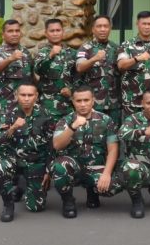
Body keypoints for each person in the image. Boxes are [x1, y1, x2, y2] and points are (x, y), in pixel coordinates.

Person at [51, 86, 122, 218]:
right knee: (59, 166)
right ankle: (68, 201)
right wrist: (73, 127)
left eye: (86, 100)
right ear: (73, 101)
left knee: (113, 186)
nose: (83, 104)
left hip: (96, 168)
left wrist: (106, 174)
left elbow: (113, 149)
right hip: (74, 169)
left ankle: (92, 192)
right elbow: (57, 145)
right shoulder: (66, 121)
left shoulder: (105, 120)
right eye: (79, 101)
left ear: (93, 100)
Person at [0, 83, 54, 222]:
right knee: (2, 166)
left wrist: (48, 171)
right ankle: (8, 204)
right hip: (13, 159)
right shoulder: (7, 114)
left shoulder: (46, 115)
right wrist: (12, 128)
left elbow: (51, 145)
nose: (26, 98)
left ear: (36, 96)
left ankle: (21, 186)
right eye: (23, 95)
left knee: (36, 207)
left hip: (35, 161)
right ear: (16, 96)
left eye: (30, 95)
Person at [117, 11, 150, 118]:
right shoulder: (127, 45)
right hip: (132, 99)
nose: (146, 27)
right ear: (137, 24)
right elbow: (121, 65)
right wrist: (137, 58)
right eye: (143, 24)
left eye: (149, 24)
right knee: (132, 126)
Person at [75, 15, 121, 125]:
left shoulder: (116, 48)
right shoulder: (86, 48)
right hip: (93, 104)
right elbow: (79, 67)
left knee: (113, 133)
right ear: (93, 29)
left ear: (110, 28)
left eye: (105, 26)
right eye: (99, 26)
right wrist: (94, 58)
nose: (102, 29)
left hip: (113, 104)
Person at [34, 18, 77, 121]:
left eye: (58, 30)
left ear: (63, 31)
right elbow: (38, 70)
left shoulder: (72, 53)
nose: (55, 33)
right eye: (52, 31)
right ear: (46, 33)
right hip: (48, 106)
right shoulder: (42, 53)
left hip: (68, 105)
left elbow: (79, 76)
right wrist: (50, 56)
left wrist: (71, 90)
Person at [0, 19, 34, 121]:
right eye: (10, 31)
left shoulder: (25, 52)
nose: (14, 34)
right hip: (6, 109)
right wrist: (10, 58)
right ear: (3, 35)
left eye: (17, 31)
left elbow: (32, 75)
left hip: (25, 107)